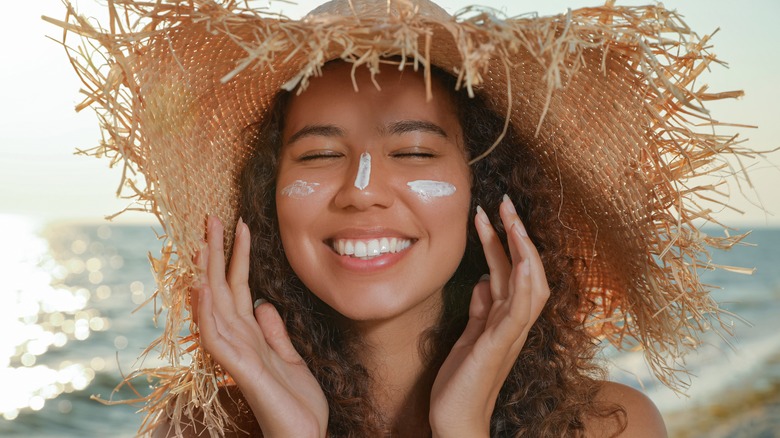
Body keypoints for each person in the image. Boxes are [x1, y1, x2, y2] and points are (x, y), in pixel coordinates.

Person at [52, 0, 754, 436]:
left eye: (414, 150)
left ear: (485, 188)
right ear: (266, 199)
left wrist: (463, 430)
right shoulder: (194, 433)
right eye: (320, 155)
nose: (363, 191)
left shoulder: (611, 427)